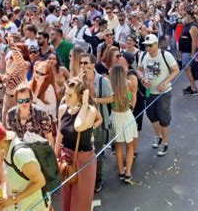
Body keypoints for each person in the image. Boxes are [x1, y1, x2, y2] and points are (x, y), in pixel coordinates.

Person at [55, 79, 101, 211]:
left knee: (80, 204)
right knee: (67, 201)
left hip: (84, 161)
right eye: (66, 93)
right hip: (66, 159)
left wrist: (85, 103)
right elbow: (59, 136)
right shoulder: (63, 109)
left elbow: (79, 126)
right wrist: (54, 160)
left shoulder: (90, 110)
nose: (65, 98)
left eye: (70, 95)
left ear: (80, 96)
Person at [0, 123, 49, 211]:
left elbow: (40, 182)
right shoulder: (5, 150)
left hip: (33, 206)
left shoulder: (21, 156)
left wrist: (14, 199)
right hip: (20, 206)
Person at [138, 34, 179, 156]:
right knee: (151, 115)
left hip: (163, 92)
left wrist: (165, 82)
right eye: (146, 46)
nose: (148, 48)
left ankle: (164, 143)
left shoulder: (166, 55)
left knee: (163, 118)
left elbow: (176, 69)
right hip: (149, 91)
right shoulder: (143, 55)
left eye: (150, 45)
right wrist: (143, 79)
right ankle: (158, 136)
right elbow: (139, 70)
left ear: (156, 44)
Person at [79, 53, 113, 193]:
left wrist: (94, 100)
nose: (83, 66)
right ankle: (85, 178)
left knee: (97, 153)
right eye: (81, 63)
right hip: (82, 121)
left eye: (86, 63)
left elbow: (111, 99)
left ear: (93, 65)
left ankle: (97, 179)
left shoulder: (102, 81)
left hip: (98, 122)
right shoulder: (79, 81)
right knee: (83, 153)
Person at [109, 65, 137, 183]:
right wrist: (131, 107)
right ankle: (128, 172)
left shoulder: (110, 86)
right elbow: (134, 98)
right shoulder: (129, 83)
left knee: (118, 146)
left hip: (115, 116)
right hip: (127, 115)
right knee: (130, 146)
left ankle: (121, 171)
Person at [178, 5, 198, 95]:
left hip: (188, 51)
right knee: (188, 70)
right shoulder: (187, 25)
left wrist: (193, 54)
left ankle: (193, 89)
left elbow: (194, 41)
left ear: (189, 16)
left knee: (188, 70)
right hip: (185, 51)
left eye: (184, 15)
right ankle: (192, 86)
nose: (183, 17)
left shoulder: (193, 26)